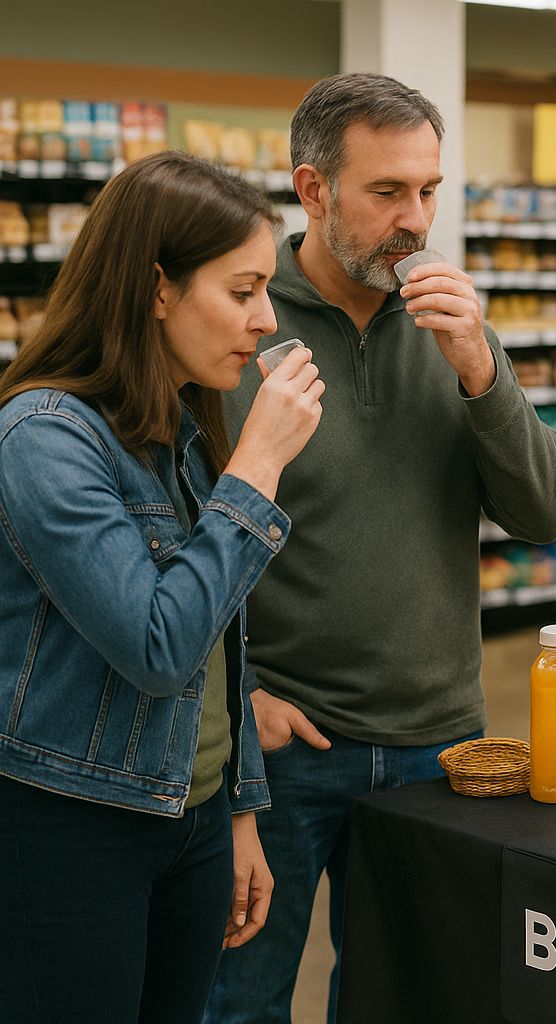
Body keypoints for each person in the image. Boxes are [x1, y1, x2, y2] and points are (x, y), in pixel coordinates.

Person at [205, 74, 556, 1024]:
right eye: (387, 194)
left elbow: (543, 514)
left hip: (437, 741)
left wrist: (482, 373)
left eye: (429, 192)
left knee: (408, 998)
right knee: (237, 1001)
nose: (416, 222)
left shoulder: (456, 329)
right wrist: (237, 697)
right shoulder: (241, 321)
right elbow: (169, 537)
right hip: (278, 750)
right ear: (314, 189)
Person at [0, 151, 324, 1023]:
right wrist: (256, 467)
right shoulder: (43, 438)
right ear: (156, 290)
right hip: (79, 822)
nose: (264, 319)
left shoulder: (177, 424)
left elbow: (221, 646)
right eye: (243, 289)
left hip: (194, 811)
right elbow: (158, 646)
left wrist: (242, 811)